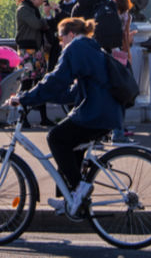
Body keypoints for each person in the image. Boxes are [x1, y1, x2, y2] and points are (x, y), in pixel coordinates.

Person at [12, 17, 122, 218]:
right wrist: (39, 98)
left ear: (71, 34)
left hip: (95, 113)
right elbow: (71, 92)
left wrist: (25, 98)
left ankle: (79, 188)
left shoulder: (75, 48)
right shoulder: (91, 47)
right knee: (69, 142)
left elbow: (55, 79)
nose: (59, 42)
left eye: (60, 37)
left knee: (56, 138)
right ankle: (70, 198)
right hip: (106, 112)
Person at [15, 0, 55, 126]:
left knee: (39, 83)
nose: (42, 3)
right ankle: (22, 117)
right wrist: (46, 19)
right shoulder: (24, 9)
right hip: (27, 51)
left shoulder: (31, 9)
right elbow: (37, 24)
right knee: (26, 84)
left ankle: (43, 117)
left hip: (36, 51)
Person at [104, 0, 136, 143]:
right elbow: (125, 37)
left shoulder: (108, 12)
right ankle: (118, 128)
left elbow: (123, 36)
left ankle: (115, 128)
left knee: (114, 92)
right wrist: (128, 54)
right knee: (122, 91)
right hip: (119, 54)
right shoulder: (126, 15)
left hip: (110, 53)